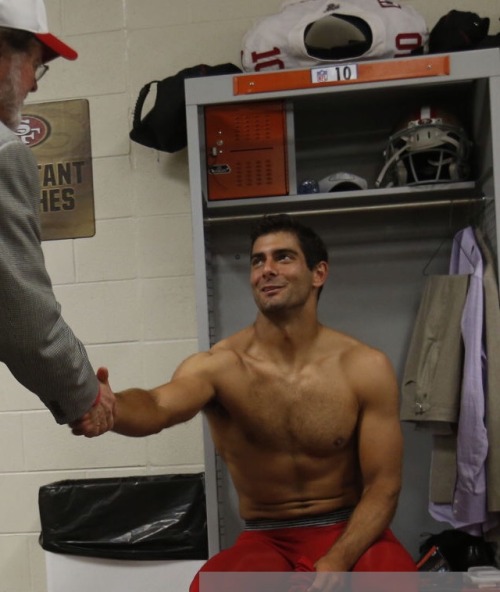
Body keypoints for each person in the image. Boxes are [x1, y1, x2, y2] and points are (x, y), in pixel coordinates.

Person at [73, 214, 416, 590]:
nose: (266, 269)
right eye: (258, 260)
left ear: (318, 273)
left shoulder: (364, 366)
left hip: (350, 530)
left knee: (393, 581)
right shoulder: (221, 367)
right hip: (268, 538)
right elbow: (157, 405)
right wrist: (110, 407)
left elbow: (384, 485)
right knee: (214, 585)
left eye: (283, 257)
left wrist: (340, 556)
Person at [0, 0, 113, 431]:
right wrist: (83, 393)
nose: (33, 85)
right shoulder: (4, 152)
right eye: (34, 64)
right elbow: (18, 312)